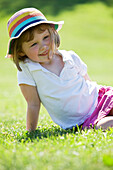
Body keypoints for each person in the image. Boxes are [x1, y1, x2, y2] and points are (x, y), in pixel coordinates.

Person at [6, 7, 113, 132]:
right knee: (105, 125)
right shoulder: (28, 70)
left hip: (101, 98)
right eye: (33, 44)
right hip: (84, 120)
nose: (43, 46)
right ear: (20, 51)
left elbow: (88, 83)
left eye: (45, 37)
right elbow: (33, 104)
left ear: (52, 33)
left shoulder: (70, 57)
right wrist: (31, 132)